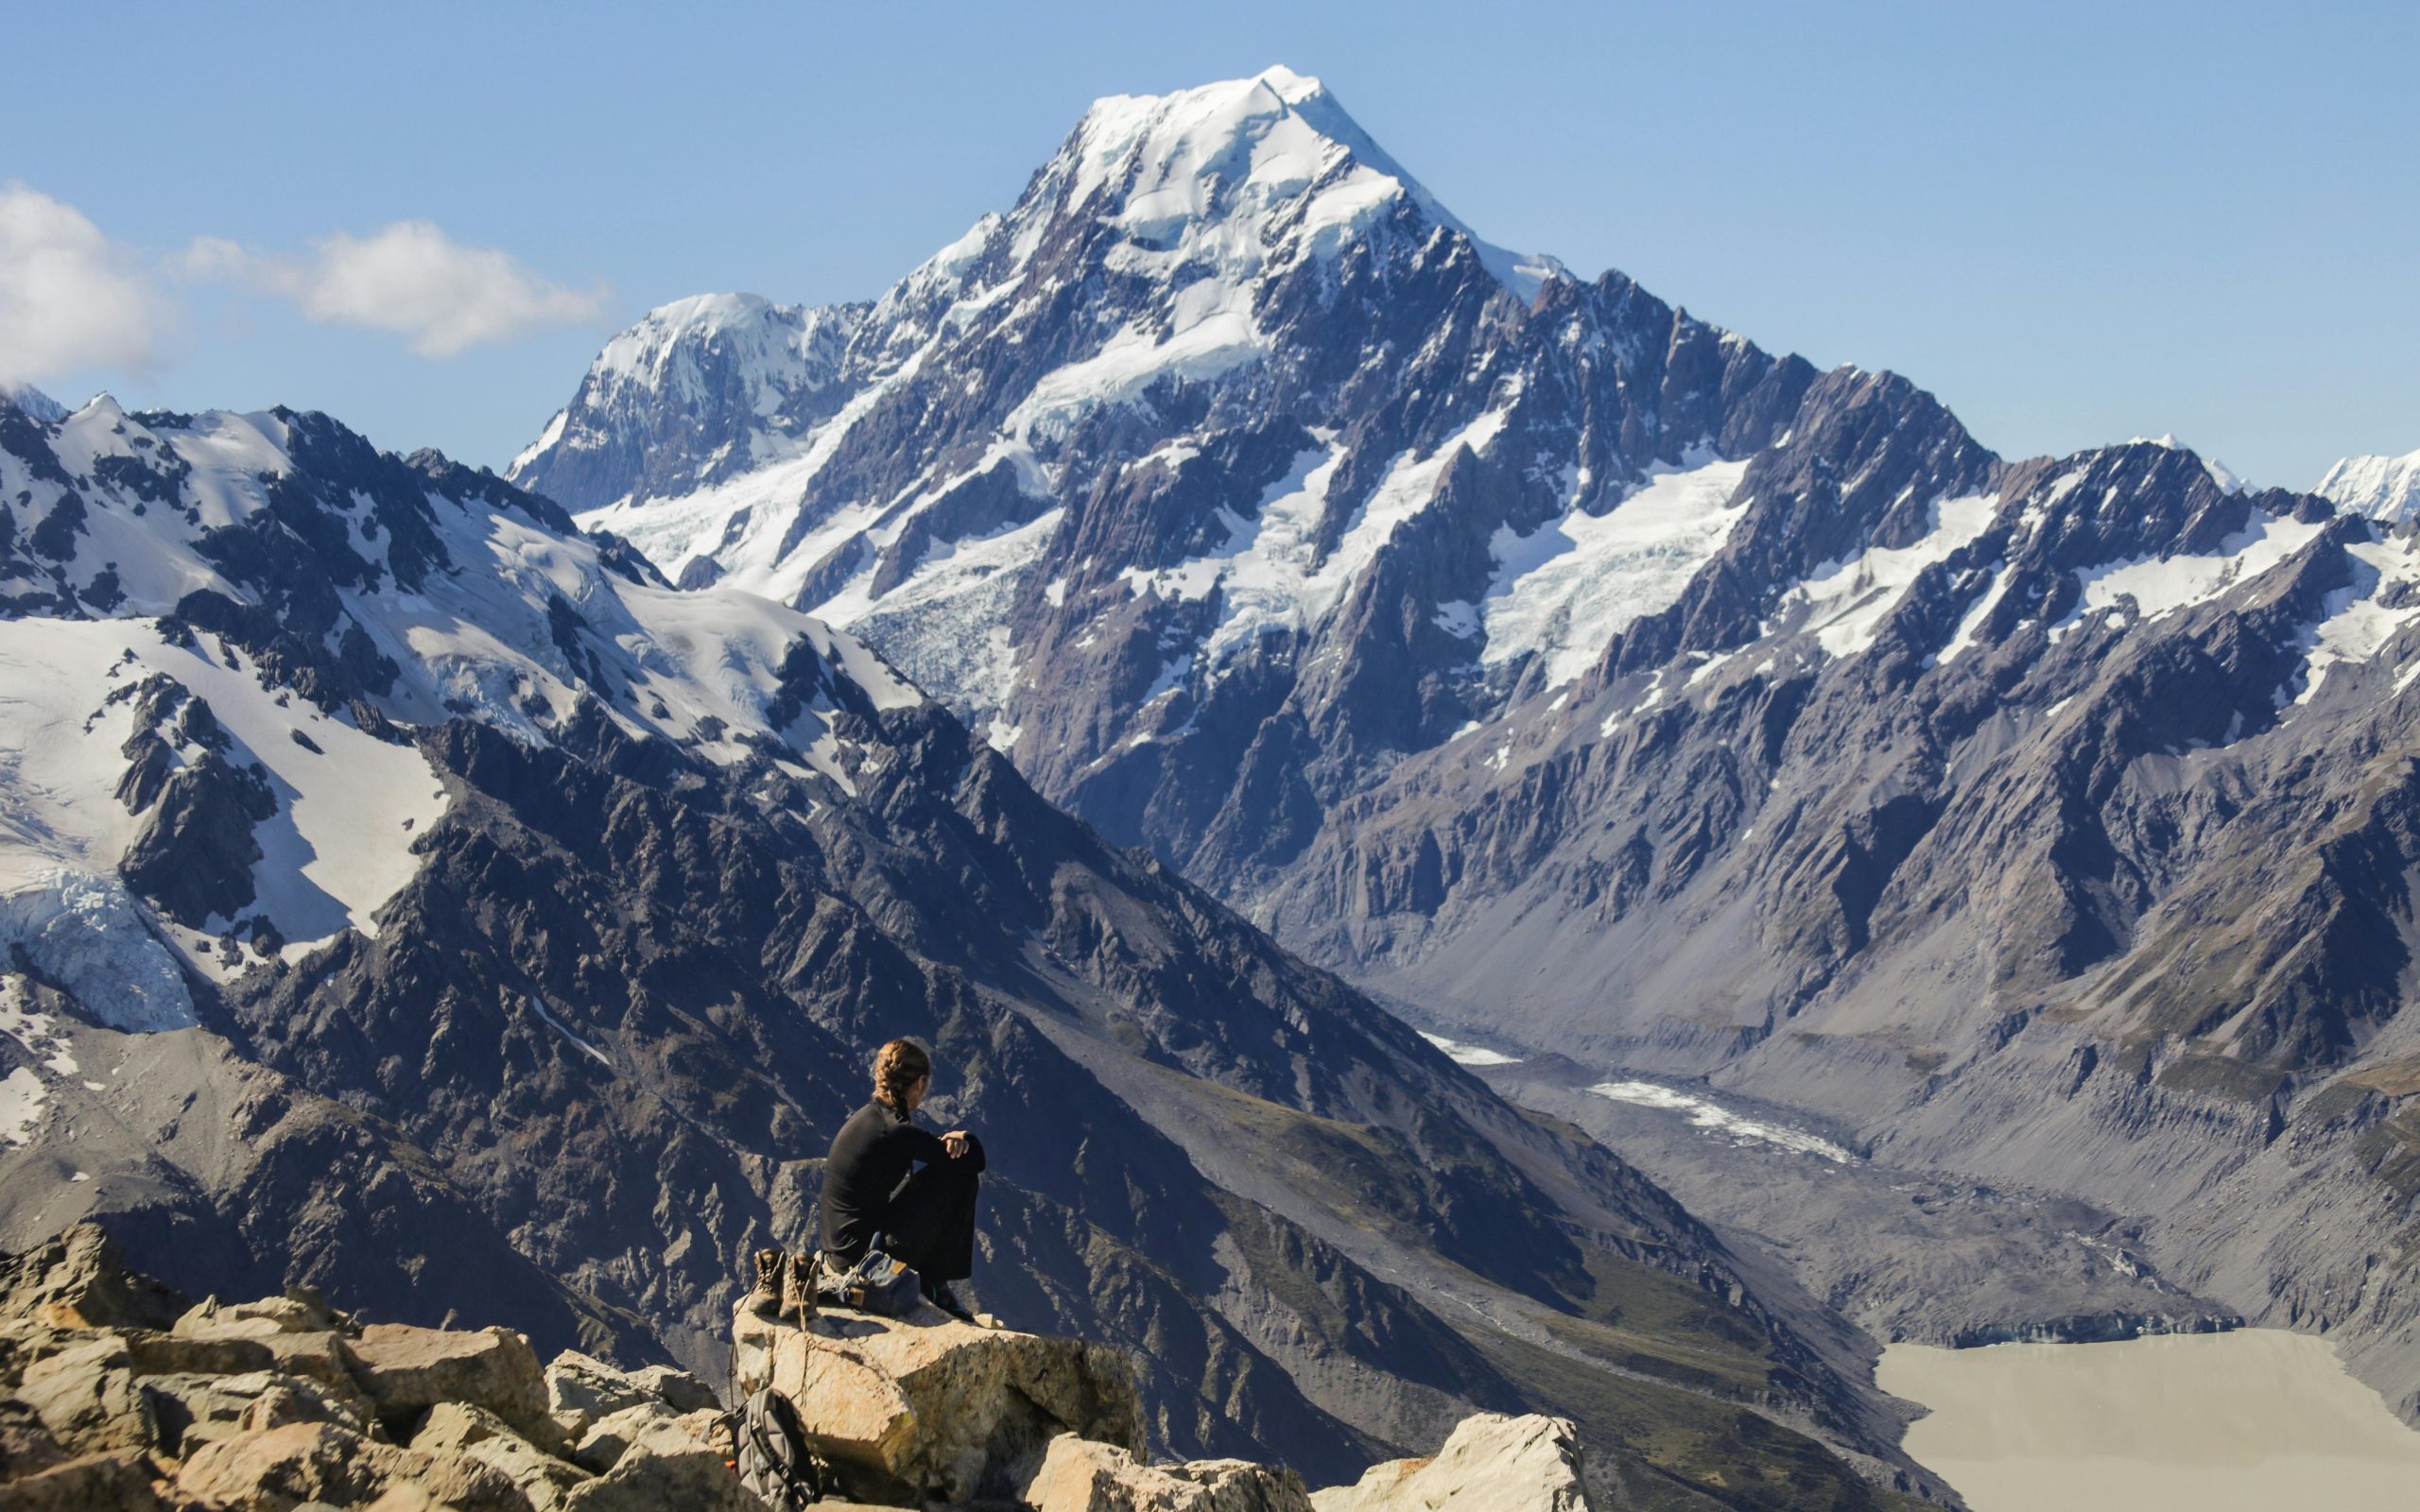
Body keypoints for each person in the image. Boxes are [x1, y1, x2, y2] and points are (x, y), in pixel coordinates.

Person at [820, 1039, 985, 1321]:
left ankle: (933, 1281)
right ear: (920, 1083)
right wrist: (964, 1137)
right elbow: (974, 1162)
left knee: (941, 1174)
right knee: (960, 1180)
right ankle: (934, 1283)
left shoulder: (869, 1119)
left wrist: (955, 1141)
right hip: (863, 1261)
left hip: (840, 1251)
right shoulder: (894, 1131)